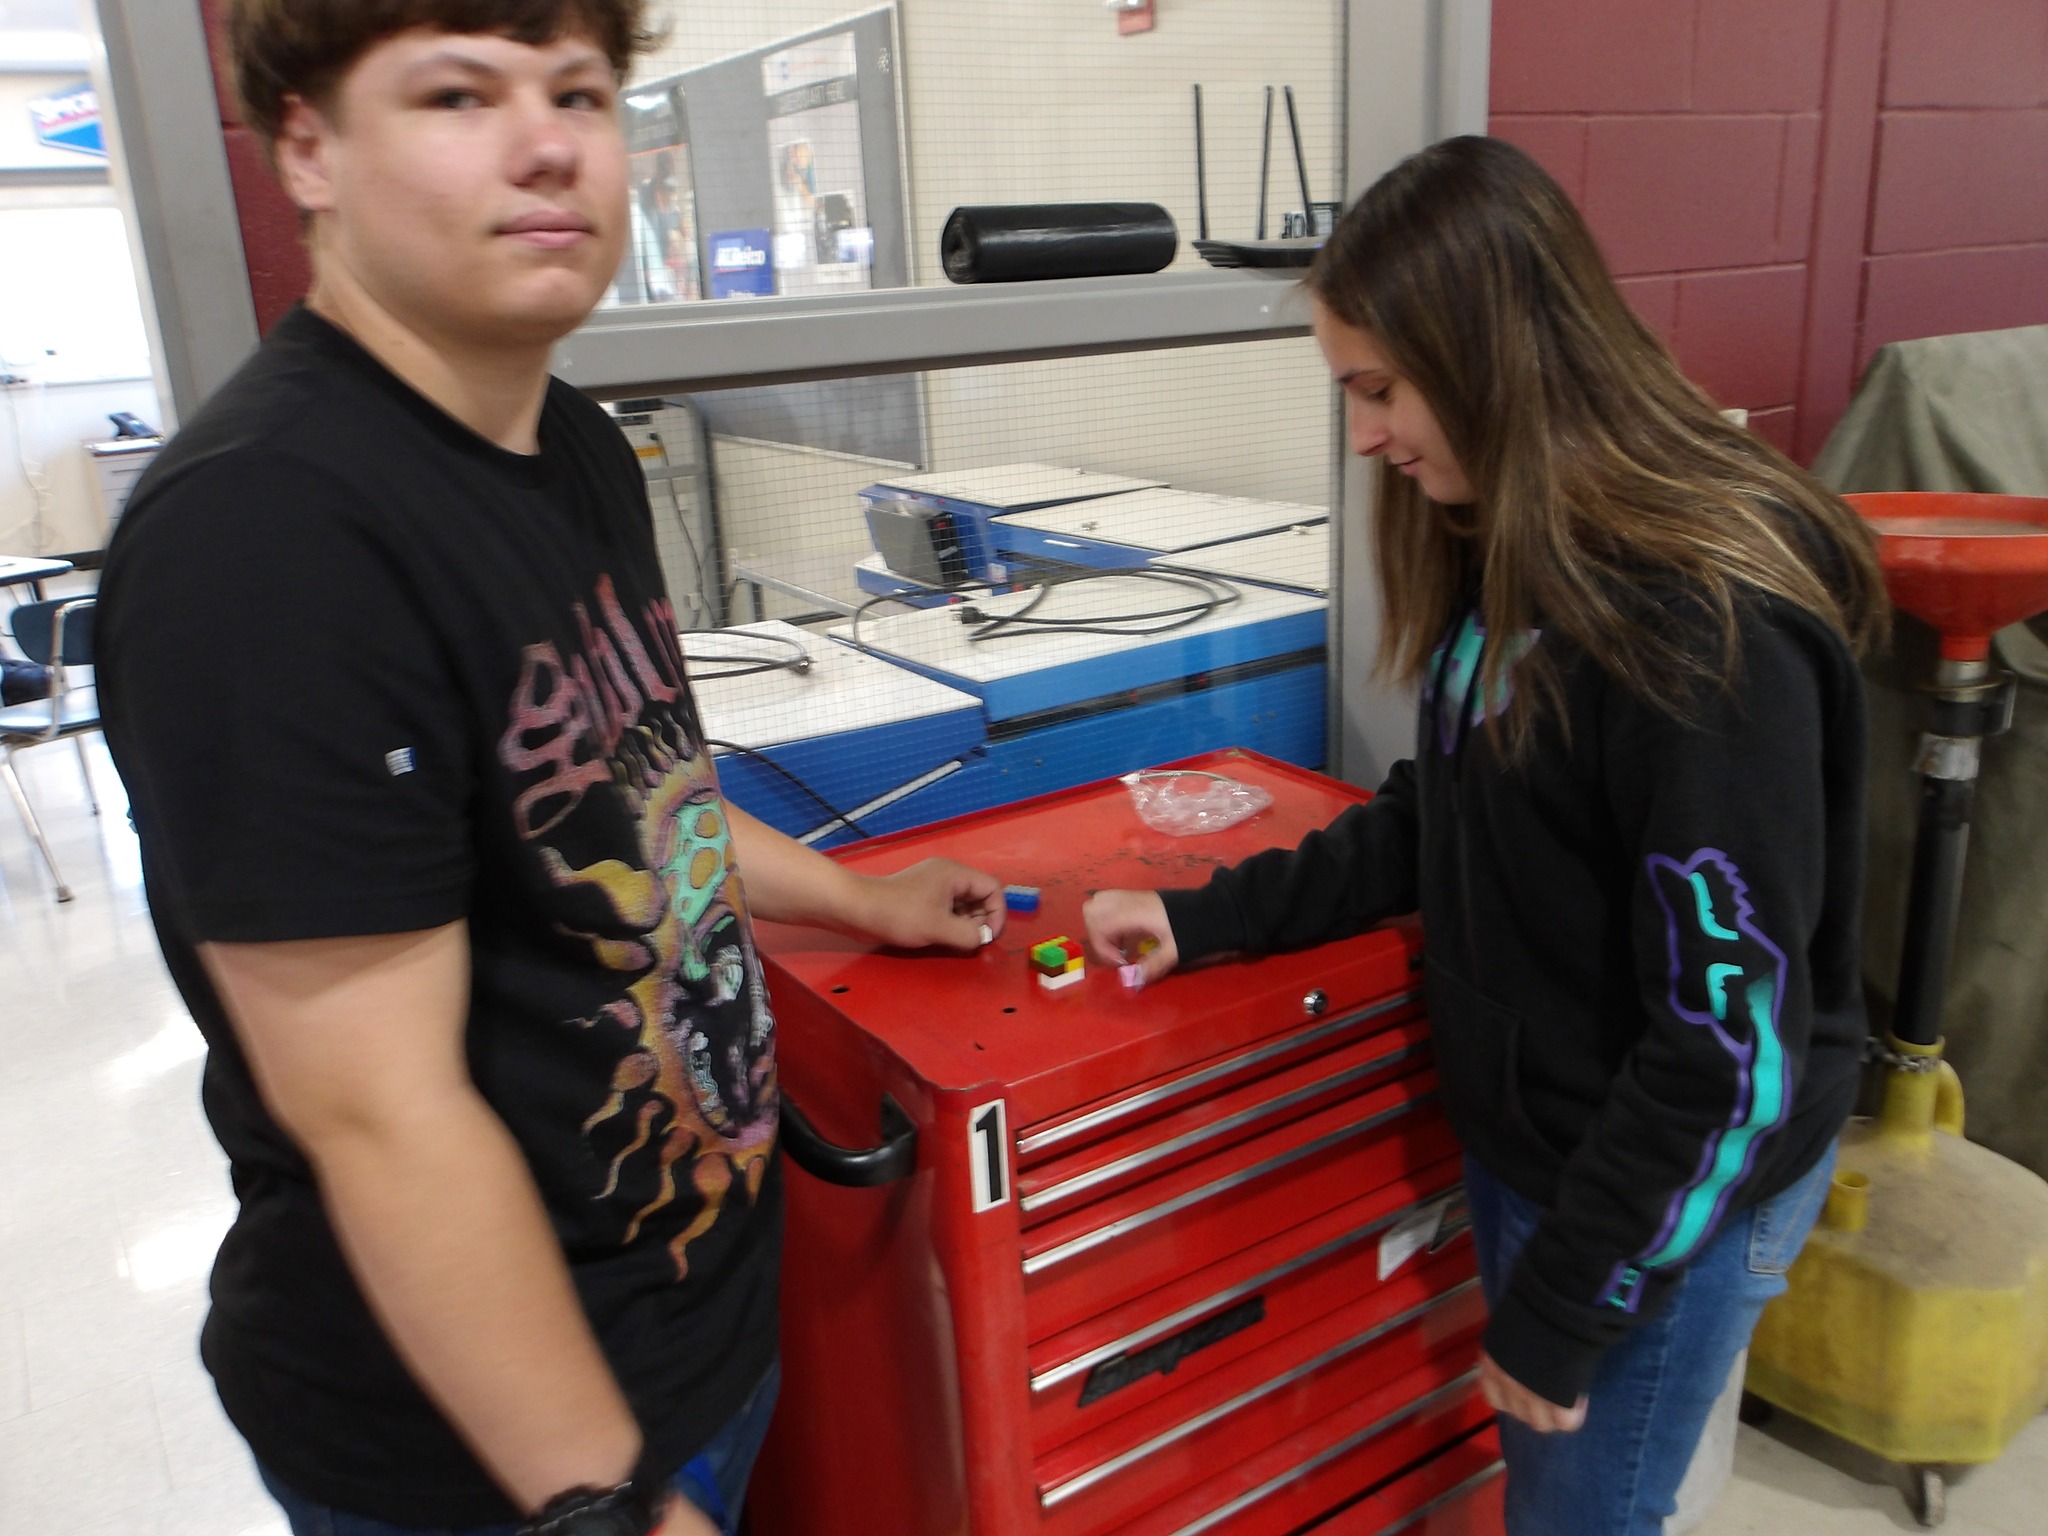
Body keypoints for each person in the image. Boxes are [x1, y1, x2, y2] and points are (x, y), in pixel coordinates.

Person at [96, 5, 1005, 1536]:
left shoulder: (572, 446)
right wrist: (602, 1498)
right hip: (486, 1454)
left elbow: (641, 802)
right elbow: (378, 1113)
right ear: (307, 147)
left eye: (579, 90)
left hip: (690, 1338)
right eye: (459, 92)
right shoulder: (264, 540)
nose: (548, 144)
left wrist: (860, 899)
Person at [1082, 135, 1888, 1536]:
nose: (1364, 437)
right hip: (1559, 1146)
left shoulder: (1699, 635)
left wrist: (1571, 1301)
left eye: (1381, 390)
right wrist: (1207, 913)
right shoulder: (1519, 548)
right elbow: (1446, 813)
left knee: (1585, 1513)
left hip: (1657, 1195)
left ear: (1496, 356)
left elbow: (1727, 1048)